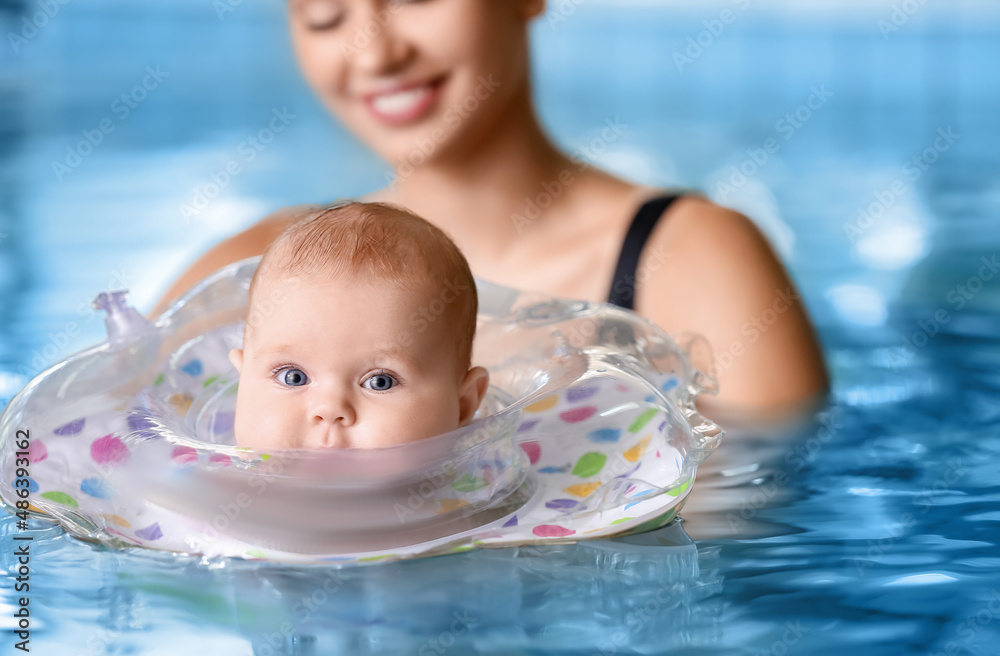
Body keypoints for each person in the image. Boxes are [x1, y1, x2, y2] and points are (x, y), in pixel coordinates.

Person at [153, 0, 828, 418]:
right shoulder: (260, 265)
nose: (377, 52)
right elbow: (67, 466)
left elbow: (755, 562)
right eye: (325, 14)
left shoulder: (692, 259)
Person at [227, 201, 490, 450]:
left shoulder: (492, 487)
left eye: (380, 381)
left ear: (463, 405)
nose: (329, 409)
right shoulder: (204, 486)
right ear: (242, 382)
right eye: (292, 376)